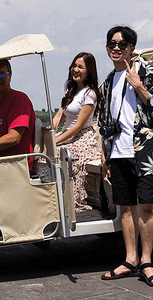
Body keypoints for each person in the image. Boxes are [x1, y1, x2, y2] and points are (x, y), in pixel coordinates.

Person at [98, 26, 153, 287]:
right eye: (112, 43)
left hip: (145, 150)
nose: (117, 48)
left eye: (123, 44)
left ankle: (147, 262)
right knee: (125, 208)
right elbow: (104, 120)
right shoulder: (107, 81)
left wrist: (140, 87)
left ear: (132, 48)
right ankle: (130, 259)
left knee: (147, 206)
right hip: (117, 152)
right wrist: (105, 154)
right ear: (107, 48)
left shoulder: (148, 72)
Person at [52, 52, 102, 212]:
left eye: (81, 67)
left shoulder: (90, 94)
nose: (76, 69)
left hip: (82, 137)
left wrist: (56, 142)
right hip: (68, 133)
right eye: (74, 66)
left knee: (61, 152)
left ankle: (74, 200)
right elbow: (58, 117)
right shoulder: (71, 92)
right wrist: (48, 134)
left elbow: (78, 126)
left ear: (89, 71)